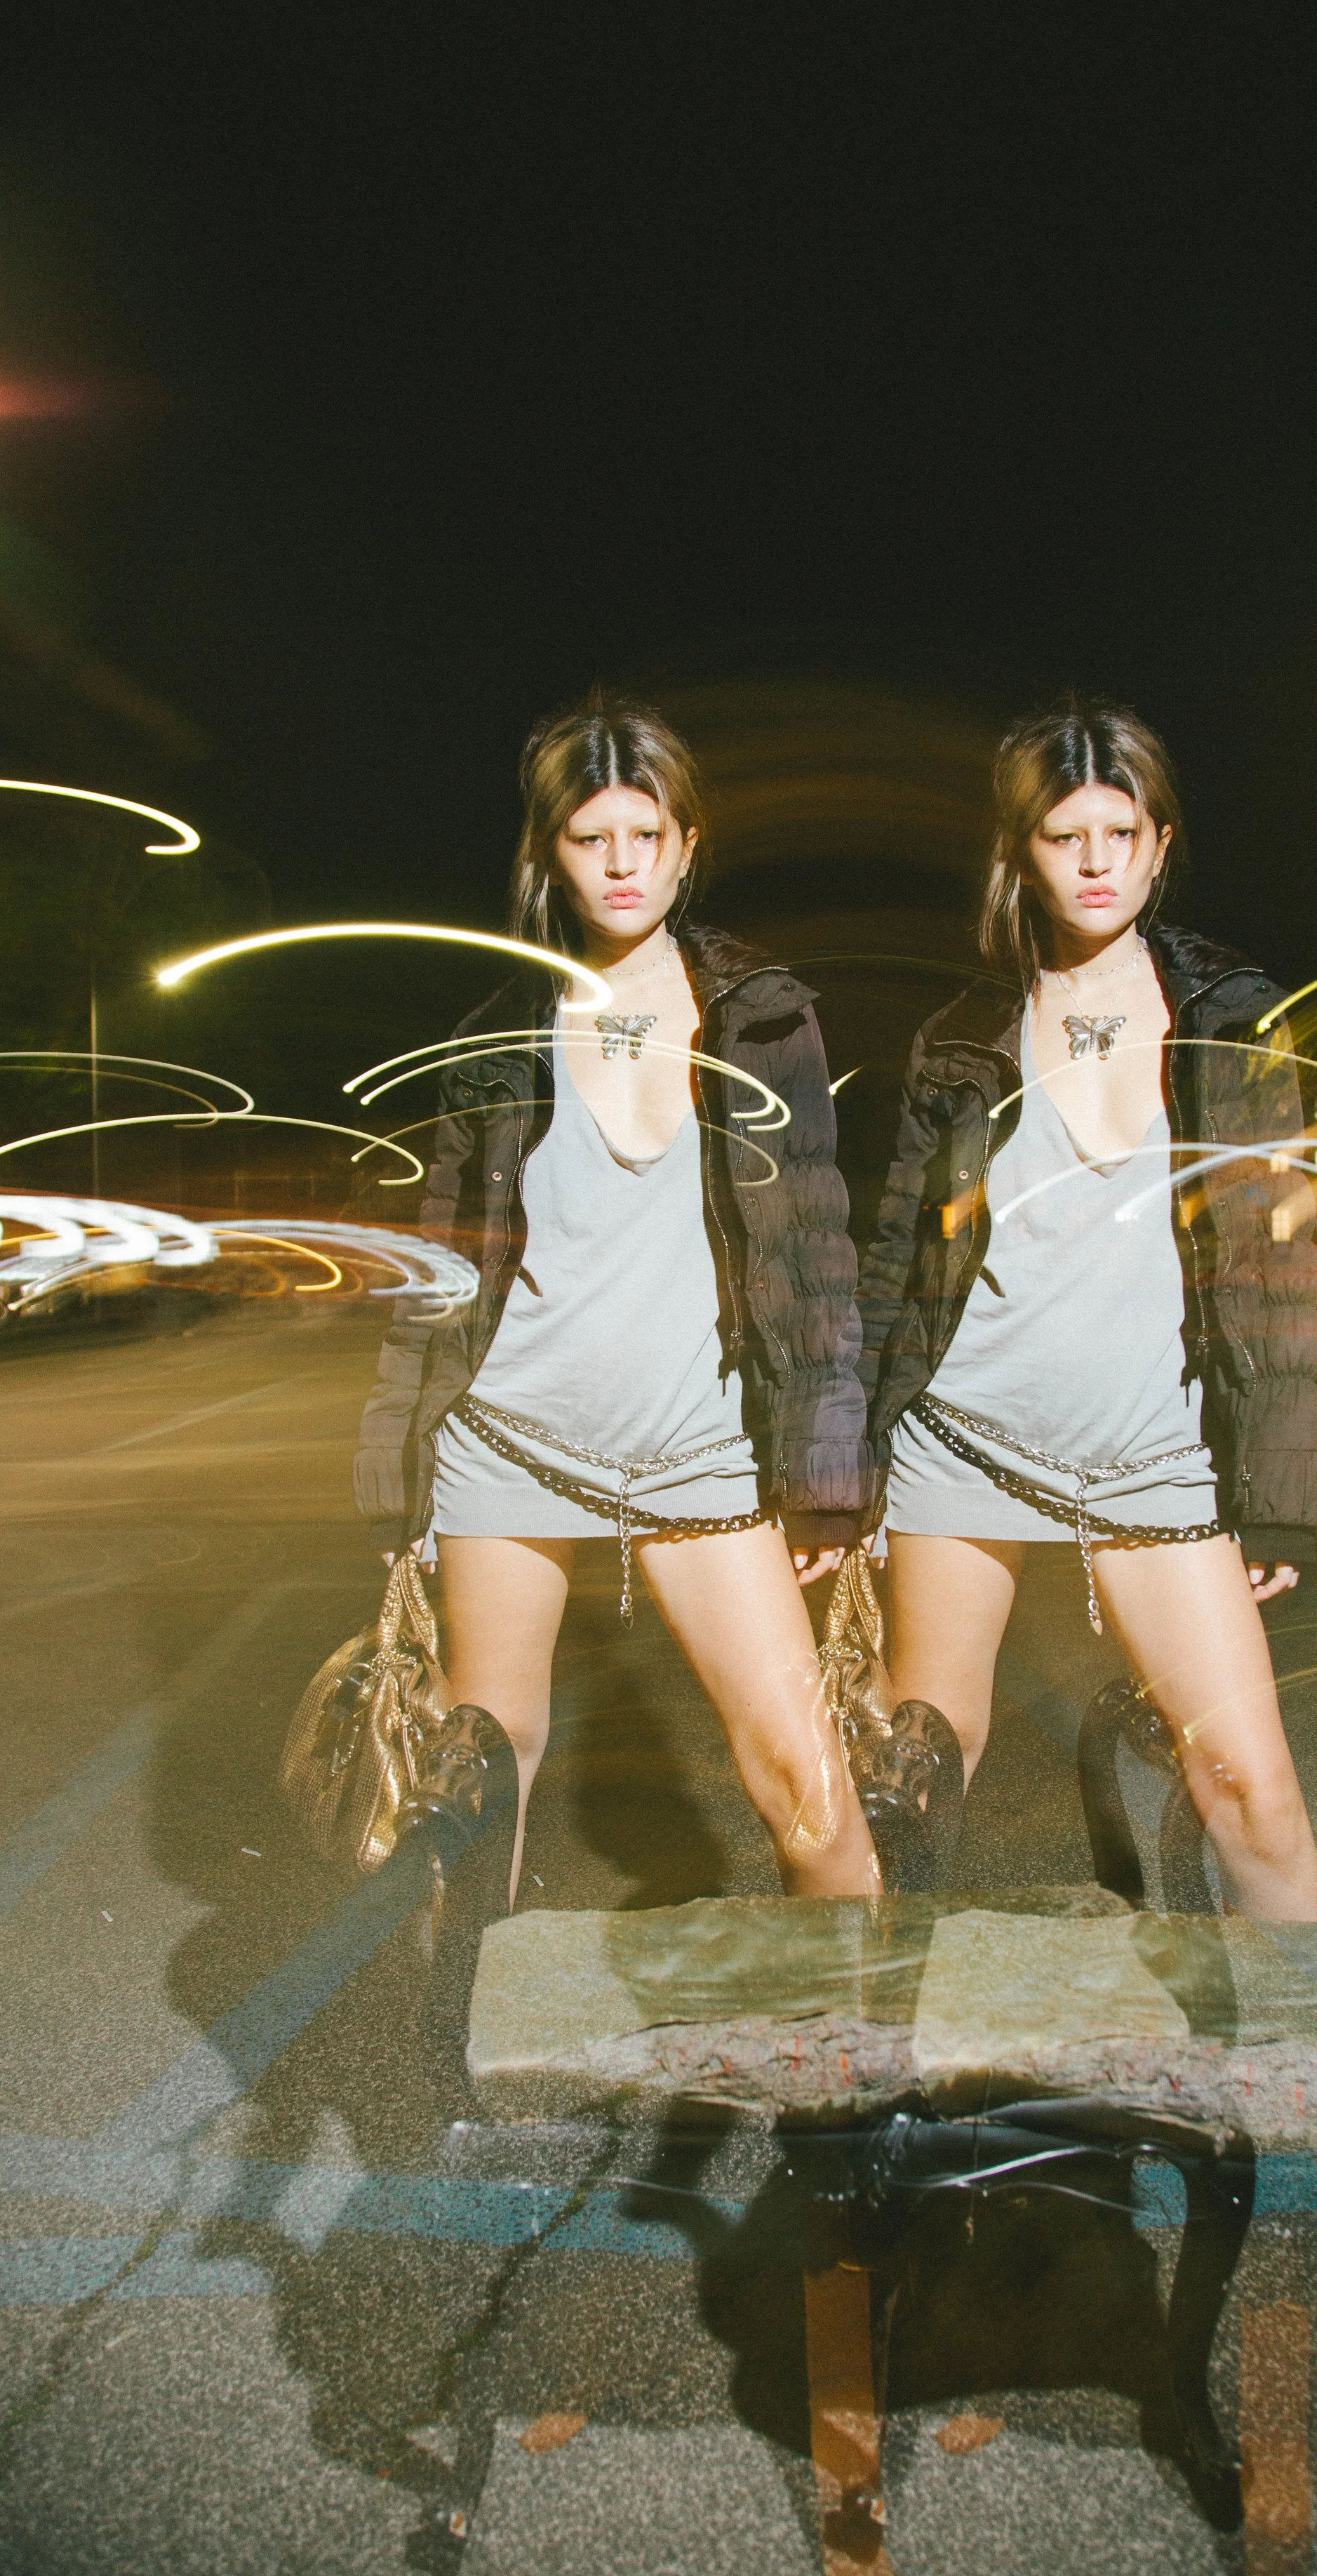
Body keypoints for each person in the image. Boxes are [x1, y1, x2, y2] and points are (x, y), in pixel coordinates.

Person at [357, 696, 880, 1901]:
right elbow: (441, 1271)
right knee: (484, 1783)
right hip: (514, 1445)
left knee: (810, 1792)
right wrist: (398, 1464)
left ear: (688, 843)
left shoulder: (763, 1016)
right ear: (551, 853)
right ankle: (458, 2059)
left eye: (647, 833)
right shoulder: (494, 1037)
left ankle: (853, 2069)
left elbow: (816, 1249)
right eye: (592, 839)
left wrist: (830, 1468)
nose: (623, 863)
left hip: (701, 1452)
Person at [859, 698, 1317, 1920]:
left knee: (1253, 1792)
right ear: (1022, 852)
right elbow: (893, 1269)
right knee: (915, 1785)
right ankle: (868, 2073)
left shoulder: (1232, 1017)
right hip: (962, 1443)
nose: (1096, 861)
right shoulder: (962, 1037)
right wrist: (836, 1468)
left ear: (1161, 843)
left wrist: (1279, 1484)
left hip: (1152, 1458)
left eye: (1121, 831)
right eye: (1065, 835)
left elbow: (1276, 1264)